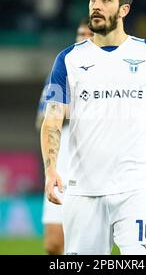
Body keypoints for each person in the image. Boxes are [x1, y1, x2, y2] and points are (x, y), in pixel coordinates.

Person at [40, 0, 146, 255]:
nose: (96, 5)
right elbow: (52, 119)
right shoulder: (67, 59)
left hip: (135, 190)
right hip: (82, 192)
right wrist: (50, 169)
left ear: (124, 9)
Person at [36, 19, 93, 255]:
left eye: (89, 34)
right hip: (63, 162)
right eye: (80, 33)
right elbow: (42, 119)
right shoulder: (60, 73)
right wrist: (69, 110)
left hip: (95, 163)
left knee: (91, 242)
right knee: (54, 244)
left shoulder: (114, 73)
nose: (83, 38)